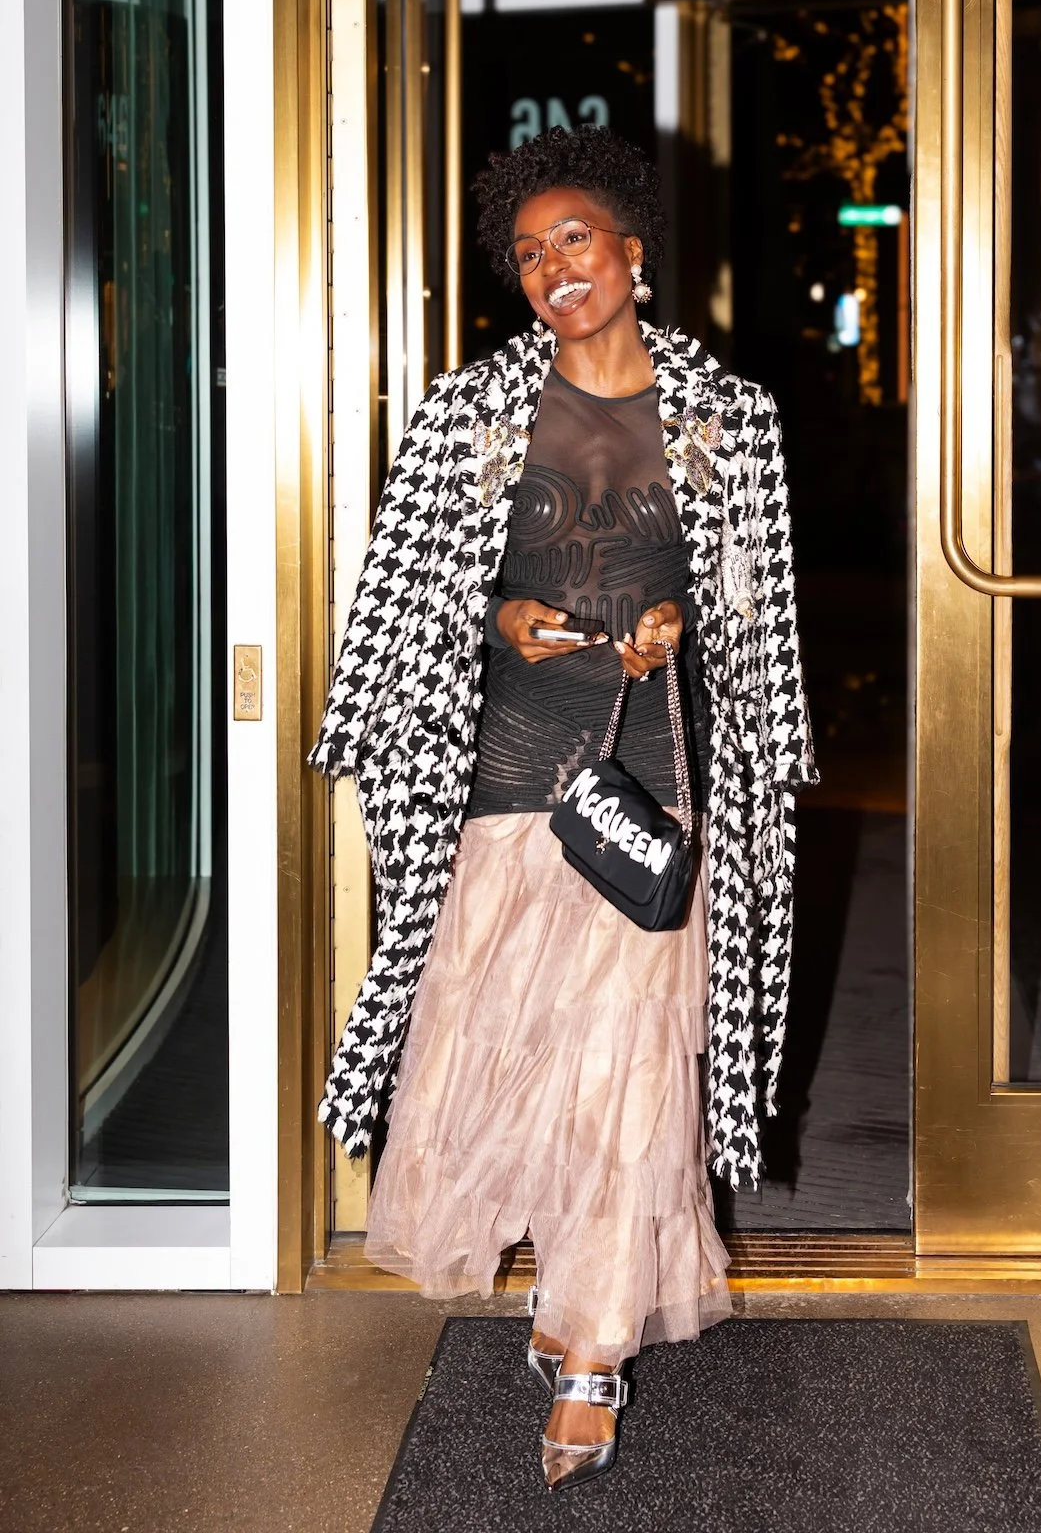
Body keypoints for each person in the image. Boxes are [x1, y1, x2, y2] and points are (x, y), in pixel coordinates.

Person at [311, 125, 817, 1491]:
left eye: (574, 241)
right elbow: (401, 605)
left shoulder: (729, 418)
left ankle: (591, 1347)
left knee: (628, 1063)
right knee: (509, 1049)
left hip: (653, 775)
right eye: (529, 254)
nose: (553, 271)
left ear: (635, 249)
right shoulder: (466, 412)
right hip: (508, 775)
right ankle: (571, 1293)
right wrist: (498, 613)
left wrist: (675, 621)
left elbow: (758, 626)